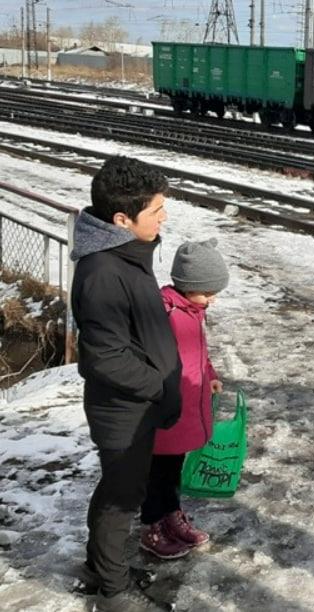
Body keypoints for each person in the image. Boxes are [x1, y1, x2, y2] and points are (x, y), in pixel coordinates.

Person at [70, 156, 181, 612]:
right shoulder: (102, 273)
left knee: (118, 490)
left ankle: (102, 567)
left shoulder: (125, 254)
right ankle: (113, 591)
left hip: (135, 405)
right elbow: (106, 358)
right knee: (121, 499)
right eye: (156, 210)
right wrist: (159, 383)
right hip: (124, 410)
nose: (164, 216)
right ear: (122, 219)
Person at [139, 239, 229, 559]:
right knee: (157, 471)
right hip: (166, 409)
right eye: (207, 293)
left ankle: (171, 514)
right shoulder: (167, 312)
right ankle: (152, 524)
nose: (212, 300)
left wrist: (211, 373)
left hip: (186, 405)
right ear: (189, 285)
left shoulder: (194, 310)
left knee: (173, 467)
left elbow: (199, 352)